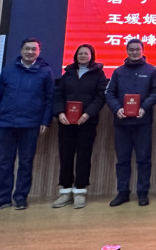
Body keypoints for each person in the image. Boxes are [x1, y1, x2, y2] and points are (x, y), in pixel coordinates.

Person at [0, 38, 55, 212]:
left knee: (26, 162)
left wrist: (45, 121)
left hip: (31, 125)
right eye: (27, 49)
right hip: (5, 124)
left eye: (34, 49)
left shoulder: (45, 72)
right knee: (5, 163)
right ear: (21, 50)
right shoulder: (8, 70)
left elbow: (50, 99)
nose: (30, 52)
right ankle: (3, 198)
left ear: (39, 52)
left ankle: (21, 197)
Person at [105, 38, 156, 207]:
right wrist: (117, 109)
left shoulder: (151, 70)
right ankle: (123, 193)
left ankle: (143, 193)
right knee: (122, 159)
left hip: (143, 122)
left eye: (137, 49)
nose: (134, 52)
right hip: (122, 123)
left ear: (142, 51)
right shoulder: (118, 71)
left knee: (143, 159)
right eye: (131, 49)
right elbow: (109, 93)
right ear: (127, 51)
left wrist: (144, 107)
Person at [51, 44, 108, 209]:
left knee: (84, 156)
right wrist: (59, 113)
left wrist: (88, 113)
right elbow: (58, 95)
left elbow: (100, 97)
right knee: (65, 156)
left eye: (86, 53)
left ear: (92, 56)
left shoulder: (99, 74)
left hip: (87, 122)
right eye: (80, 53)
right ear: (75, 56)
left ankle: (80, 192)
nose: (83, 56)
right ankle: (65, 191)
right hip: (66, 122)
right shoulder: (67, 73)